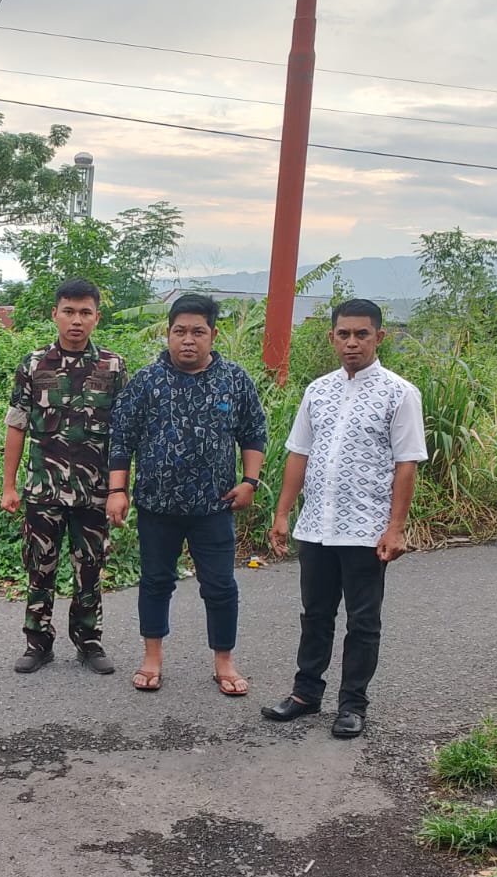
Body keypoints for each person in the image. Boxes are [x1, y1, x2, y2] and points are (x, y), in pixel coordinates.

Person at [262, 297, 427, 739]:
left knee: (363, 621)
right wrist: (282, 513)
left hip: (366, 529)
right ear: (332, 337)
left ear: (379, 337)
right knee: (315, 614)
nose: (352, 342)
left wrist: (395, 527)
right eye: (344, 334)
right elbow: (299, 453)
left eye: (361, 334)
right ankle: (305, 694)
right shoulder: (318, 391)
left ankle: (353, 704)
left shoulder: (399, 393)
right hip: (317, 525)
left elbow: (406, 464)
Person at [107, 292, 267, 695]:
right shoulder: (146, 381)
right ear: (168, 334)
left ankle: (224, 662)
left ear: (213, 335)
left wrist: (249, 482)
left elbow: (253, 433)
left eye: (198, 332)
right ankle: (152, 658)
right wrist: (117, 490)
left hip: (214, 505)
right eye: (180, 331)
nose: (188, 340)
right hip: (156, 505)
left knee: (221, 586)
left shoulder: (235, 380)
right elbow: (122, 438)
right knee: (155, 581)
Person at [1, 278, 128, 675]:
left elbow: (124, 434)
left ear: (96, 318)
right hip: (44, 490)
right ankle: (37, 644)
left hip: (94, 491)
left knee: (90, 569)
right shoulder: (33, 364)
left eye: (85, 312)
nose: (77, 320)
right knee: (40, 567)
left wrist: (120, 489)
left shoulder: (113, 366)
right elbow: (16, 425)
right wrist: (8, 486)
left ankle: (88, 642)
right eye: (69, 311)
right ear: (55, 314)